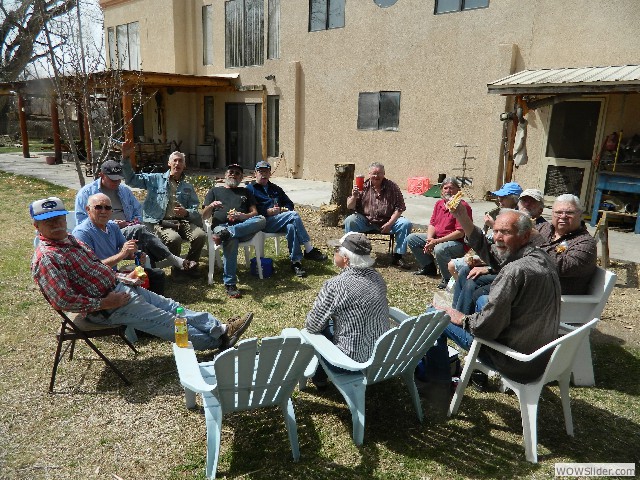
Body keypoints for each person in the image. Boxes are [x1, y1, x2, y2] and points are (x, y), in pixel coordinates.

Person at [30, 197, 253, 351]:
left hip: (120, 287)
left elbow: (95, 267)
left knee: (172, 306)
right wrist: (105, 302)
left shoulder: (69, 240)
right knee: (169, 322)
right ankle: (219, 342)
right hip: (107, 308)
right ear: (36, 225)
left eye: (59, 218)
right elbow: (63, 300)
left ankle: (220, 328)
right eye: (48, 221)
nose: (57, 224)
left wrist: (121, 278)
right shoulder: (47, 258)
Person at [426, 206, 561, 387]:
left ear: (525, 236)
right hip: (539, 355)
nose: (498, 237)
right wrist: (463, 217)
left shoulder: (514, 271)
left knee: (433, 315)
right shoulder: (542, 257)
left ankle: (439, 382)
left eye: (505, 232)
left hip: (515, 361)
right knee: (482, 300)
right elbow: (492, 254)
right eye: (496, 231)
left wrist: (460, 318)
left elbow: (485, 329)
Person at [74, 159, 197, 272]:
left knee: (143, 237)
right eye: (113, 179)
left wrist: (131, 223)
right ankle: (175, 262)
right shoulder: (86, 193)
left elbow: (138, 212)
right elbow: (82, 222)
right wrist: (110, 225)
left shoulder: (124, 191)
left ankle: (151, 275)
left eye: (119, 179)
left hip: (127, 232)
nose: (117, 182)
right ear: (101, 175)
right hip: (102, 235)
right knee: (142, 233)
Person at [305, 232, 389, 388]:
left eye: (336, 249)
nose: (333, 252)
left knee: (320, 329)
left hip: (349, 361)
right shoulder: (378, 278)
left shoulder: (336, 285)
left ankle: (319, 378)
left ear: (346, 259)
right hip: (379, 355)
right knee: (331, 324)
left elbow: (312, 325)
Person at [121, 151, 206, 272]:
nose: (177, 163)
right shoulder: (155, 179)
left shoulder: (187, 187)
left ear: (184, 165)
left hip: (182, 222)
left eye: (180, 161)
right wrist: (125, 158)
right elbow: (131, 179)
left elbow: (194, 208)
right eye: (175, 160)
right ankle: (178, 271)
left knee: (200, 235)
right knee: (174, 239)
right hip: (161, 223)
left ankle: (190, 267)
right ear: (169, 163)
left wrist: (186, 212)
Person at [72, 193, 166, 296]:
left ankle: (152, 303)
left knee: (157, 275)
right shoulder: (82, 233)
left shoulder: (112, 226)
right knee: (136, 286)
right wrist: (122, 254)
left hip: (114, 274)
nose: (103, 211)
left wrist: (135, 255)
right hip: (98, 281)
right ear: (88, 209)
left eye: (107, 208)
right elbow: (92, 269)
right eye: (98, 207)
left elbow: (124, 248)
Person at [245, 160, 327, 278]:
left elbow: (289, 204)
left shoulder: (275, 188)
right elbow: (249, 209)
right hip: (263, 222)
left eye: (266, 171)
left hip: (279, 219)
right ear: (255, 173)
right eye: (260, 171)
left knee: (291, 226)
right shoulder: (250, 189)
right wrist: (266, 211)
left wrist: (284, 209)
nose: (263, 174)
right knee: (294, 215)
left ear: (270, 174)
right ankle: (309, 249)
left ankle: (296, 263)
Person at [202, 164, 267, 298]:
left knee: (261, 219)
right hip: (221, 227)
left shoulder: (245, 192)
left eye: (237, 173)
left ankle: (228, 233)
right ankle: (230, 284)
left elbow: (254, 213)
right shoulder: (215, 191)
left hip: (242, 227)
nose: (233, 174)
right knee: (231, 239)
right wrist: (211, 205)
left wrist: (244, 216)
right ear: (225, 174)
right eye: (231, 172)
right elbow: (204, 216)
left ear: (241, 177)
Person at [447, 181, 523, 281]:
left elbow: (511, 250)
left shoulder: (521, 219)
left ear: (514, 199)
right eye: (498, 196)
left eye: (503, 197)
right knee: (453, 265)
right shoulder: (495, 213)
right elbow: (482, 236)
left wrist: (493, 225)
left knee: (460, 269)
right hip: (488, 252)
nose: (499, 199)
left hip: (500, 260)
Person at [406, 177, 473, 288]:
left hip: (458, 243)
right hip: (438, 238)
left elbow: (460, 233)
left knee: (439, 248)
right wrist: (429, 240)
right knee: (412, 238)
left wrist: (436, 241)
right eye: (445, 188)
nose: (448, 190)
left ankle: (448, 278)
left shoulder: (462, 206)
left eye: (451, 188)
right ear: (441, 190)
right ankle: (429, 267)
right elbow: (432, 224)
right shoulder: (439, 204)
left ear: (458, 190)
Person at [344, 162, 412, 268]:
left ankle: (398, 257)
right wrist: (353, 196)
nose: (376, 176)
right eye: (374, 173)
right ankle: (352, 253)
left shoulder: (392, 187)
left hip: (387, 221)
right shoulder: (363, 186)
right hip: (367, 221)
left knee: (405, 223)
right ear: (369, 174)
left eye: (379, 173)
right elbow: (349, 206)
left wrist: (390, 223)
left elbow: (400, 208)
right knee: (350, 220)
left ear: (384, 174)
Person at [529, 193, 597, 295]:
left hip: (553, 297)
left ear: (580, 215)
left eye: (570, 212)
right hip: (531, 282)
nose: (563, 216)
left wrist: (538, 241)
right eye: (558, 212)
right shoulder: (543, 228)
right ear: (552, 213)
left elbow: (562, 267)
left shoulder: (586, 242)